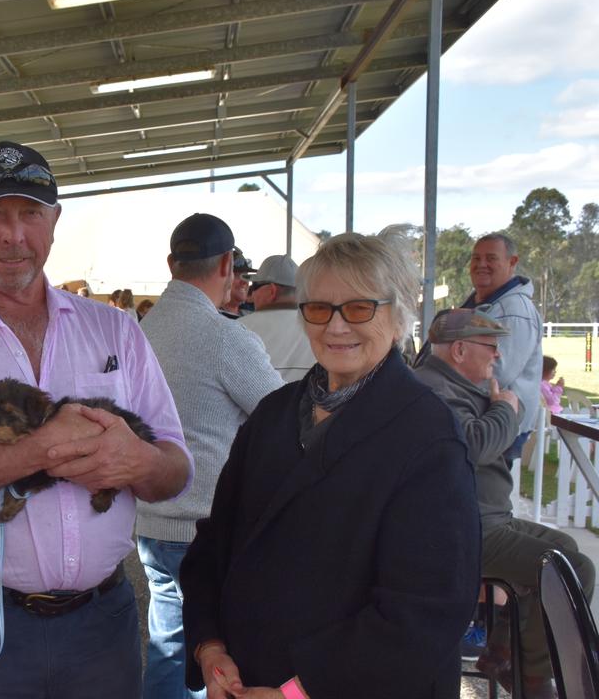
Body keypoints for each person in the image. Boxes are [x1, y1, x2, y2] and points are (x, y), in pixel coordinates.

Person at [0, 140, 192, 698]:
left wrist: (137, 459)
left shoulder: (115, 329)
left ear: (54, 221)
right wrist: (45, 449)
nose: (13, 235)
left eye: (30, 213)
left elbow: (174, 469)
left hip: (104, 618)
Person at [181, 227, 481, 699]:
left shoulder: (428, 437)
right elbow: (215, 544)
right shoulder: (274, 414)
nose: (335, 327)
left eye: (359, 307)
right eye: (319, 308)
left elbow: (425, 613)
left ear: (399, 317)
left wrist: (297, 693)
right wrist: (210, 647)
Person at [136, 213, 283, 699]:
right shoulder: (225, 337)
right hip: (202, 524)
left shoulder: (141, 330)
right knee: (203, 652)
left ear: (171, 264)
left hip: (149, 519)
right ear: (226, 263)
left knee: (168, 643)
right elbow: (278, 416)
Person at [416, 309, 593, 699]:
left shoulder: (449, 385)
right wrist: (506, 409)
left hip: (484, 520)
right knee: (571, 568)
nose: (497, 355)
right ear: (460, 350)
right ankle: (530, 676)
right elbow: (474, 445)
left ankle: (503, 651)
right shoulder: (434, 389)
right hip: (464, 529)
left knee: (566, 552)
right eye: (491, 347)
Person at [465, 233, 543, 459]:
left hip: (494, 426)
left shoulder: (514, 311)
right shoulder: (484, 303)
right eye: (476, 258)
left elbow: (497, 373)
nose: (481, 264)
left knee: (484, 493)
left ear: (512, 262)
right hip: (478, 420)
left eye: (491, 258)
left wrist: (446, 393)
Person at [238, 255, 317, 382]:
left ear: (272, 291)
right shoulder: (320, 328)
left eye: (255, 286)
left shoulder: (238, 329)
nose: (252, 293)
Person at [219, 249, 253, 318]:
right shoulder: (210, 317)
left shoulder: (252, 317)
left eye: (246, 276)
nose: (244, 282)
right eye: (237, 275)